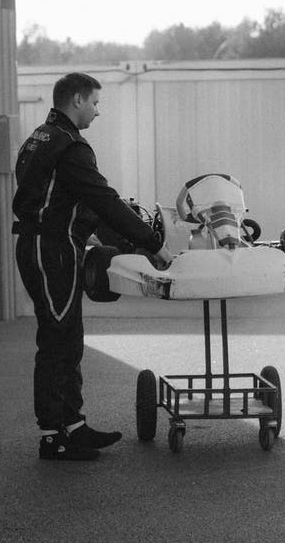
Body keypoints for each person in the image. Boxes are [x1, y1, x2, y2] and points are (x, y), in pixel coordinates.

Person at [12, 72, 174, 461]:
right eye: (96, 103)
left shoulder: (39, 138)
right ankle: (53, 436)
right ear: (78, 100)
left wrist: (103, 236)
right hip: (51, 250)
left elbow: (70, 201)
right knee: (56, 341)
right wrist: (153, 243)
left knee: (68, 335)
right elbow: (104, 200)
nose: (98, 112)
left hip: (47, 245)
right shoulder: (70, 147)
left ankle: (73, 426)